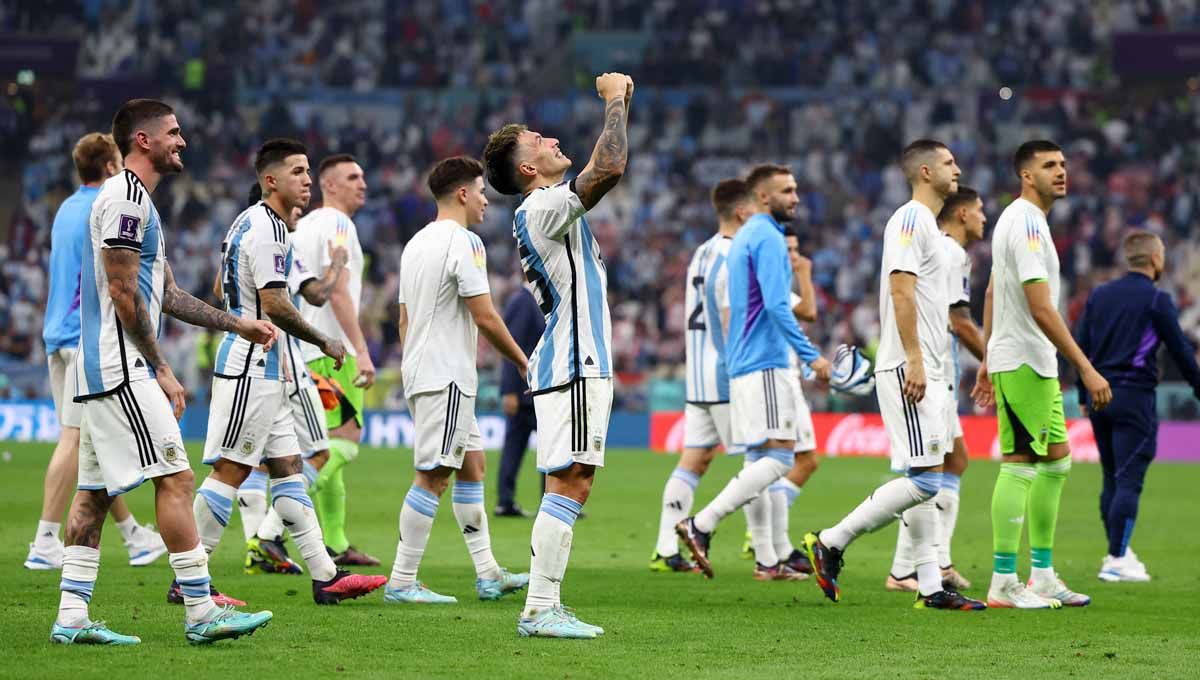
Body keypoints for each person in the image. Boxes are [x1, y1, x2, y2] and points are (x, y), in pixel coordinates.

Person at [52, 99, 276, 645]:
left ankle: (71, 619)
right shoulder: (127, 198)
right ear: (144, 141)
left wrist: (237, 323)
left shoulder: (136, 203)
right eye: (174, 133)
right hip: (120, 366)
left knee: (94, 496)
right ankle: (201, 612)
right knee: (175, 478)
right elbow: (125, 292)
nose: (183, 141)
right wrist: (161, 368)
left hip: (99, 366)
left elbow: (166, 294)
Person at [184, 138, 386, 606]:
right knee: (230, 471)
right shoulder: (268, 227)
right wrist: (325, 340)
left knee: (292, 469)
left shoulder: (256, 223)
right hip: (253, 360)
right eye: (297, 171)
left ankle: (325, 574)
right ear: (270, 180)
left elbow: (221, 283)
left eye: (308, 171)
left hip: (273, 363)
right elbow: (275, 303)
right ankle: (190, 579)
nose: (307, 180)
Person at [803, 140, 986, 611]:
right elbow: (900, 290)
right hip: (911, 365)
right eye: (949, 162)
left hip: (932, 368)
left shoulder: (927, 225)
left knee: (930, 473)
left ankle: (929, 585)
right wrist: (916, 360)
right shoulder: (909, 218)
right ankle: (831, 540)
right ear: (925, 171)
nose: (957, 168)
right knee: (925, 481)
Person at [482, 71, 633, 639]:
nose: (549, 140)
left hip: (578, 362)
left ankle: (545, 605)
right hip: (572, 363)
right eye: (538, 142)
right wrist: (614, 102)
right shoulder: (541, 206)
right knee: (570, 481)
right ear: (527, 169)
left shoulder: (546, 208)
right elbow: (610, 168)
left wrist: (625, 105)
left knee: (572, 481)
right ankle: (541, 608)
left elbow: (609, 161)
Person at [675, 163, 832, 581]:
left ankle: (770, 559)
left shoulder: (745, 238)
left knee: (759, 459)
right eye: (787, 190)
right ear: (762, 197)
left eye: (796, 189)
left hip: (745, 364)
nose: (795, 197)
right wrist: (812, 356)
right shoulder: (765, 236)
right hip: (765, 363)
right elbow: (781, 307)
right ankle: (702, 523)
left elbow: (725, 302)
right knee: (781, 456)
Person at [385, 156, 530, 604]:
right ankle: (402, 580)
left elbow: (404, 318)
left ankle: (488, 573)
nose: (487, 200)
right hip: (445, 372)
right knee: (433, 475)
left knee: (473, 466)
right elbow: (484, 314)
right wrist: (523, 362)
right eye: (482, 190)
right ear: (463, 193)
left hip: (429, 369)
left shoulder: (415, 245)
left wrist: (416, 364)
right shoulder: (465, 242)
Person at [973, 139, 1111, 609]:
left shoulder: (1024, 221)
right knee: (1021, 464)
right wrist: (1087, 368)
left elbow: (993, 290)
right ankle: (1003, 582)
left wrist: (987, 357)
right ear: (1025, 175)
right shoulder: (1027, 222)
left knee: (1055, 462)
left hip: (1026, 359)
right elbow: (1040, 306)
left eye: (1064, 164)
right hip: (1027, 360)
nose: (1061, 171)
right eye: (1049, 165)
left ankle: (1044, 574)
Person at [27, 132, 166, 571]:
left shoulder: (66, 208)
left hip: (56, 333)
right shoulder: (107, 204)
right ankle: (45, 541)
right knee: (74, 437)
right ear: (111, 166)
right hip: (82, 337)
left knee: (90, 441)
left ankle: (134, 536)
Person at [231, 184, 348, 576]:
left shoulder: (238, 238)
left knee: (260, 461)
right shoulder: (282, 241)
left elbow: (219, 289)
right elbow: (314, 295)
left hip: (244, 358)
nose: (300, 207)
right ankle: (267, 536)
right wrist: (336, 264)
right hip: (285, 362)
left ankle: (259, 550)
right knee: (318, 452)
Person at [1076, 231, 1200, 582]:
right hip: (1135, 400)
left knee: (1111, 479)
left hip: (1100, 398)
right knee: (1129, 480)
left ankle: (1119, 550)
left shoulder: (1099, 295)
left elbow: (1080, 344)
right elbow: (1179, 350)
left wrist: (1084, 397)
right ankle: (1116, 559)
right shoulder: (1156, 300)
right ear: (1156, 259)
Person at [649, 178, 754, 575]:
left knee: (695, 459)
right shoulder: (734, 254)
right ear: (742, 211)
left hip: (697, 374)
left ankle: (664, 549)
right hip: (726, 372)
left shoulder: (702, 252)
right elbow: (729, 318)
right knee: (759, 461)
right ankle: (768, 553)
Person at [886, 186, 986, 593]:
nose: (984, 218)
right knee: (925, 471)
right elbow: (958, 321)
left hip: (939, 371)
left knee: (953, 461)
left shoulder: (949, 252)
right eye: (979, 211)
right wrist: (991, 360)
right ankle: (911, 566)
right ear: (961, 214)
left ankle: (922, 564)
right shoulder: (947, 252)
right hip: (928, 372)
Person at [290, 154, 379, 566]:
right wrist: (361, 350)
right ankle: (272, 528)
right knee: (343, 445)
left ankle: (337, 543)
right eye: (352, 177)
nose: (362, 183)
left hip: (308, 347)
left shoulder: (301, 225)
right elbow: (339, 292)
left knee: (327, 451)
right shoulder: (338, 224)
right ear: (329, 185)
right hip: (334, 352)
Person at [496, 282, 545, 518]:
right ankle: (505, 501)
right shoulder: (523, 302)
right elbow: (509, 347)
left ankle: (553, 501)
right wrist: (509, 391)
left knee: (547, 446)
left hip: (536, 390)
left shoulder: (534, 302)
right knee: (516, 447)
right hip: (523, 392)